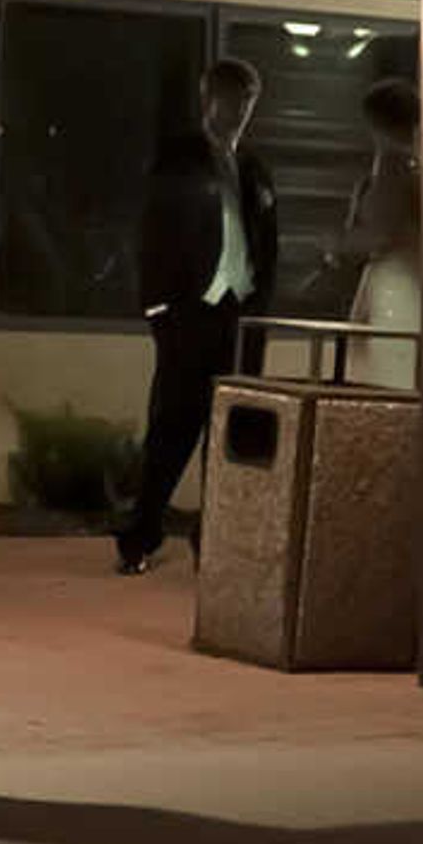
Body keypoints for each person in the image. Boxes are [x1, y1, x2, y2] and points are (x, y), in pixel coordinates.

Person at [119, 58, 278, 577]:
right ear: (210, 101)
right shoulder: (180, 158)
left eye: (249, 103)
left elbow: (268, 239)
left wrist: (262, 301)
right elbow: (152, 232)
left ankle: (214, 538)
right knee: (172, 426)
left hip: (241, 313)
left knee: (233, 431)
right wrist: (159, 308)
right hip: (189, 312)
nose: (241, 113)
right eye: (233, 102)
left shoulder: (254, 167)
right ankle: (140, 534)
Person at [337, 76, 423, 352]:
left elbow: (381, 234)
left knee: (380, 371)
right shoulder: (419, 166)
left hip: (392, 285)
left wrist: (339, 244)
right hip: (414, 281)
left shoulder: (391, 165)